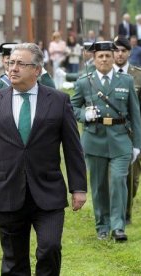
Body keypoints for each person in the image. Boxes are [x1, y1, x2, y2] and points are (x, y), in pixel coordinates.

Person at [0, 43, 87, 275]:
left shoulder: (58, 101)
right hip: (8, 191)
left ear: (37, 69)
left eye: (21, 64)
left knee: (50, 248)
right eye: (11, 63)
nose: (13, 68)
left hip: (48, 193)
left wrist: (78, 187)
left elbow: (73, 148)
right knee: (13, 260)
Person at [71, 41, 141, 242]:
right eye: (100, 56)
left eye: (107, 56)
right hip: (95, 140)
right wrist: (85, 113)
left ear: (113, 58)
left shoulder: (126, 80)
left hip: (121, 139)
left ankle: (118, 227)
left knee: (119, 180)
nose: (104, 59)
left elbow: (135, 114)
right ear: (94, 58)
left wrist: (137, 144)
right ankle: (102, 226)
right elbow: (72, 108)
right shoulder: (85, 81)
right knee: (99, 185)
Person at [113, 36, 141, 225]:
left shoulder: (138, 75)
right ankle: (120, 214)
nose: (120, 54)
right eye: (117, 50)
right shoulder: (105, 73)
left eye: (123, 50)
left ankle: (127, 208)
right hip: (114, 132)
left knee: (133, 177)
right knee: (116, 176)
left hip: (135, 132)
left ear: (129, 52)